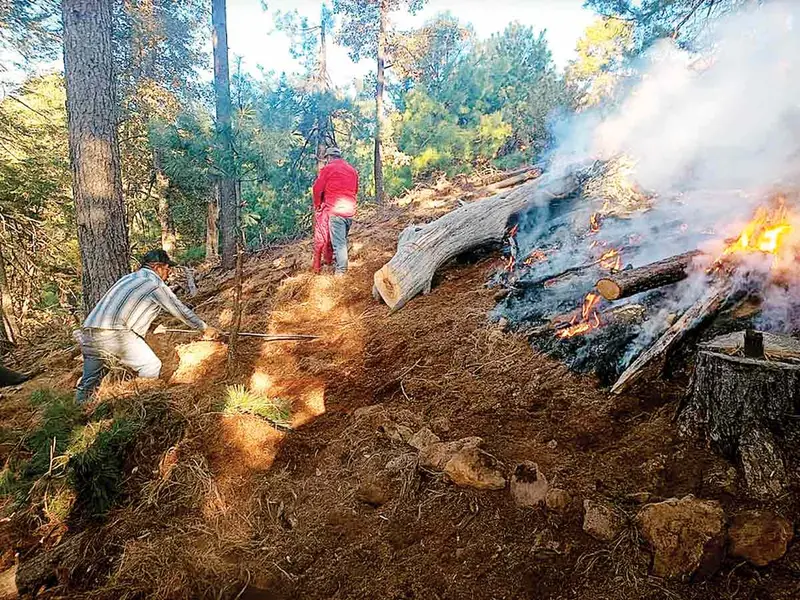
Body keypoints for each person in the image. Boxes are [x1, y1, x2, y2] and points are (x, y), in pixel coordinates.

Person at [75, 249, 218, 402]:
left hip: (88, 333)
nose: (169, 273)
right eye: (167, 268)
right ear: (157, 267)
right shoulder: (153, 283)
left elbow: (129, 308)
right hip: (113, 334)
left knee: (89, 383)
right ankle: (142, 409)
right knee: (150, 366)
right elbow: (179, 309)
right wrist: (204, 327)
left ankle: (77, 414)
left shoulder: (129, 278)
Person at [312, 146, 359, 275]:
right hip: (349, 212)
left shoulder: (328, 169)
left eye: (327, 158)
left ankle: (341, 273)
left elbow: (317, 188)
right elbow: (355, 190)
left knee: (339, 244)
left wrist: (317, 204)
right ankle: (336, 265)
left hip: (336, 211)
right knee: (341, 240)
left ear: (329, 157)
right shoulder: (352, 170)